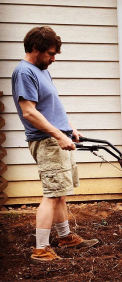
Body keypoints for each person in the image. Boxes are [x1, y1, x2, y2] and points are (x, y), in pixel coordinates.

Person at [11, 26, 99, 262]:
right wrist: (58, 136)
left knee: (60, 193)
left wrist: (69, 128)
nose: (53, 59)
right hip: (47, 141)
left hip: (57, 138)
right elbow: (29, 112)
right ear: (35, 49)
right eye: (50, 54)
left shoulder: (41, 71)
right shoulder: (24, 72)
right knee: (51, 195)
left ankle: (65, 237)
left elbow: (49, 106)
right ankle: (40, 249)